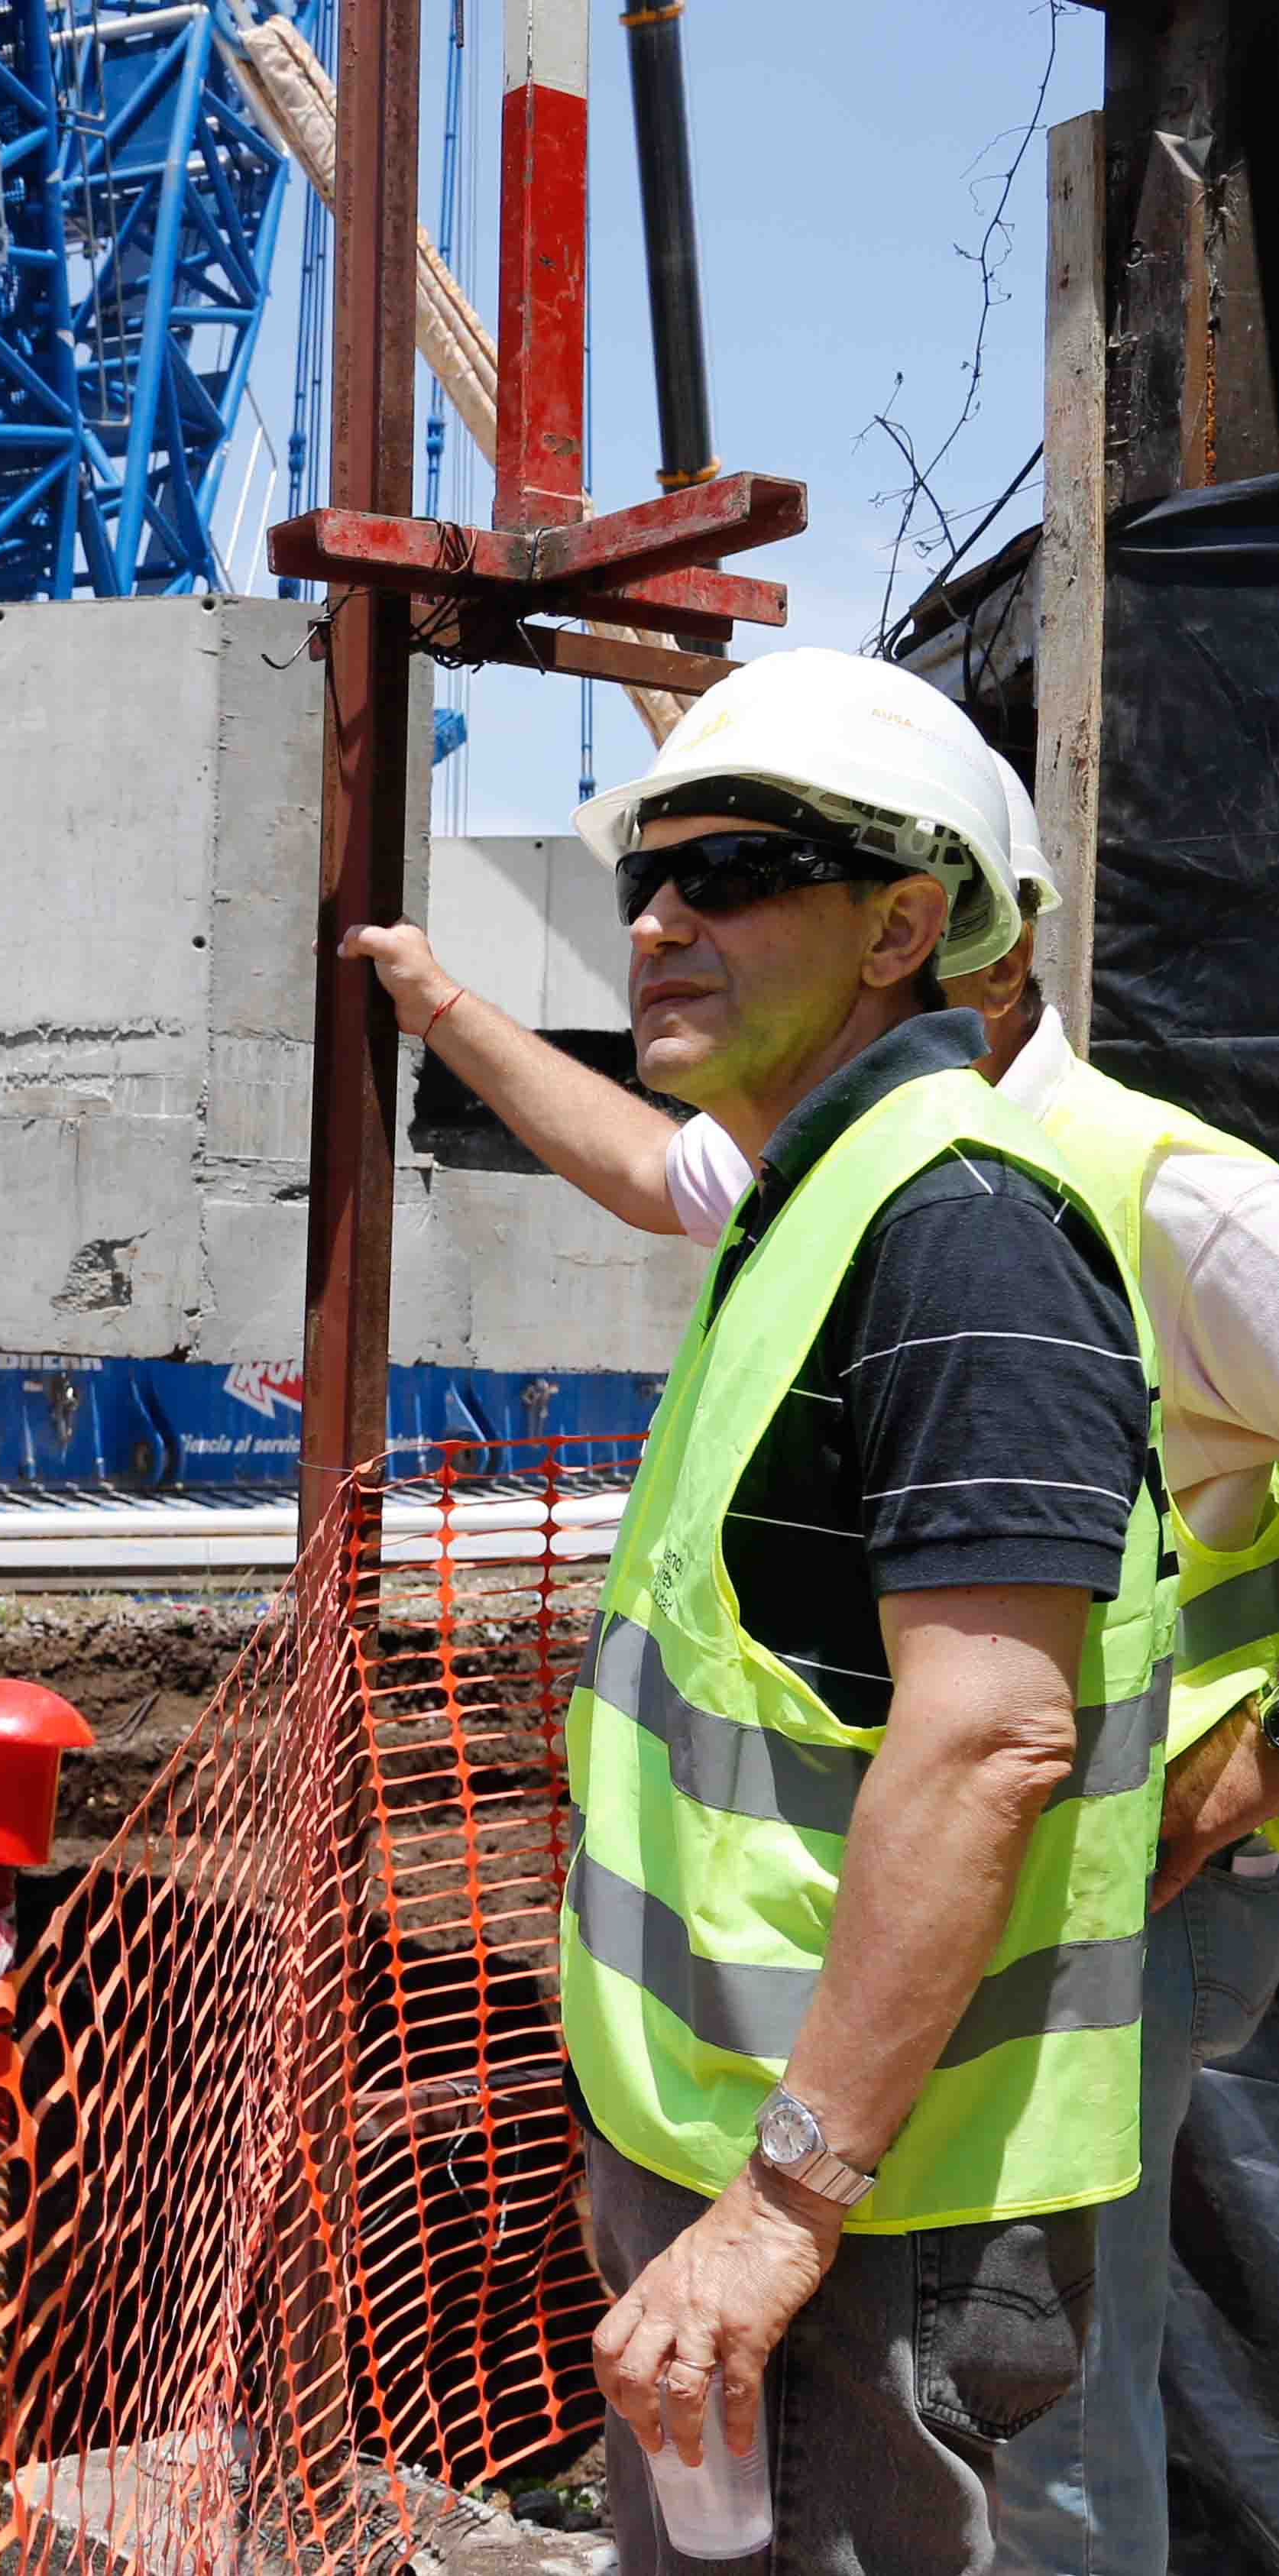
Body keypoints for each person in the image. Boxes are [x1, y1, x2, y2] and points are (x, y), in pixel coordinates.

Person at [351, 690, 1279, 2573]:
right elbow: (637, 1165)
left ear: (913, 927)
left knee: (1049, 2470)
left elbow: (986, 1733)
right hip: (801, 2074)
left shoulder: (1020, 1213)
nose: (655, 918)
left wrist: (784, 2201)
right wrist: (438, 1006)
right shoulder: (812, 1187)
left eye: (738, 870)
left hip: (935, 2090)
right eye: (648, 874)